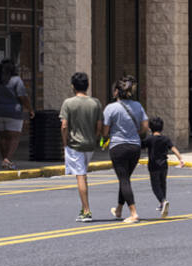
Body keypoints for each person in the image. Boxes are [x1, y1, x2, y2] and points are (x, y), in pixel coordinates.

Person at [101, 76, 149, 224]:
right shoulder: (138, 106)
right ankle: (119, 209)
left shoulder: (110, 108)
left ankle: (134, 213)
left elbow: (105, 131)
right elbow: (145, 127)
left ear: (116, 91)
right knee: (125, 178)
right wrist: (136, 133)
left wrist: (105, 137)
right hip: (135, 146)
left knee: (124, 179)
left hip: (118, 146)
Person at [59, 72, 104, 222]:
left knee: (80, 175)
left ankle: (86, 210)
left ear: (73, 86)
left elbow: (64, 126)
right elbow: (99, 125)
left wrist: (65, 142)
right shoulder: (95, 102)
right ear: (87, 85)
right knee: (83, 174)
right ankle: (83, 206)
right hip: (90, 144)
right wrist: (95, 138)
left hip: (75, 144)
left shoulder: (68, 103)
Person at [0, 59, 32, 168]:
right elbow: (22, 97)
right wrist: (30, 109)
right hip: (13, 112)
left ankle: (5, 159)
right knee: (15, 137)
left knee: (3, 137)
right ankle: (7, 159)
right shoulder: (16, 80)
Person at [144, 115, 185, 219]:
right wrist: (180, 159)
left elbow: (139, 147)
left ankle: (163, 201)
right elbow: (173, 148)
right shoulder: (165, 139)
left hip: (154, 166)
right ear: (162, 128)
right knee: (163, 184)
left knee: (155, 186)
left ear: (150, 128)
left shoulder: (149, 139)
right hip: (164, 165)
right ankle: (163, 203)